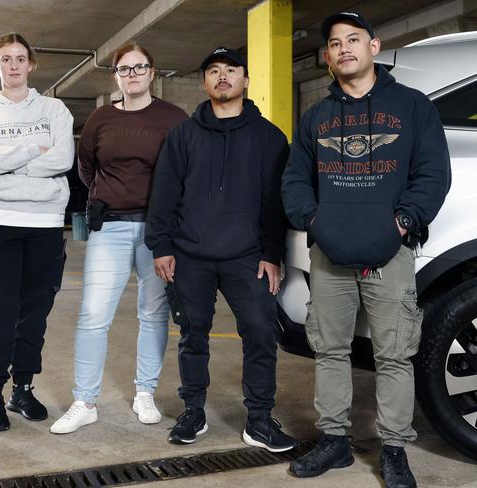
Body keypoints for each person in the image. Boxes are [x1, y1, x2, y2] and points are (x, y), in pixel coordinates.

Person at [282, 12, 451, 487]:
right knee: (330, 350)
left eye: (352, 40)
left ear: (374, 47)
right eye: (334, 44)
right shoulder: (316, 116)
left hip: (390, 255)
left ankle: (394, 448)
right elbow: (295, 180)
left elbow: (433, 174)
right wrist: (315, 221)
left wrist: (402, 224)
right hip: (329, 254)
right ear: (329, 57)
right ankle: (334, 441)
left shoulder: (413, 107)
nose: (343, 50)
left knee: (394, 354)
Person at [144, 47, 295, 451]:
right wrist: (161, 246)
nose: (223, 77)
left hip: (247, 256)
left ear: (246, 80)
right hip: (190, 254)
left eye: (231, 70)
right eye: (214, 71)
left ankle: (260, 420)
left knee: (261, 334)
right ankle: (193, 411)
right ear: (205, 81)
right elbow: (164, 194)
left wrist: (271, 254)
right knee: (193, 335)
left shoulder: (270, 137)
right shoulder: (183, 135)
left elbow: (274, 203)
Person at [50, 42, 186, 435]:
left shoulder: (174, 118)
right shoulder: (100, 119)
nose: (132, 75)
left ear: (152, 73)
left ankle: (145, 392)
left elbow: (183, 172)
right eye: (124, 69)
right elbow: (87, 168)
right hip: (109, 228)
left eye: (139, 68)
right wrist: (107, 198)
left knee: (153, 313)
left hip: (157, 230)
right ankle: (85, 401)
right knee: (94, 315)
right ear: (116, 77)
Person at [0, 32, 74, 432]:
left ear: (31, 64)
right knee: (0, 311)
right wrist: (36, 150)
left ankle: (22, 388)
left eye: (20, 58)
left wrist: (9, 162)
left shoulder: (54, 108)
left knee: (34, 314)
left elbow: (63, 158)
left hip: (45, 223)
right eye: (5, 59)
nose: (13, 65)